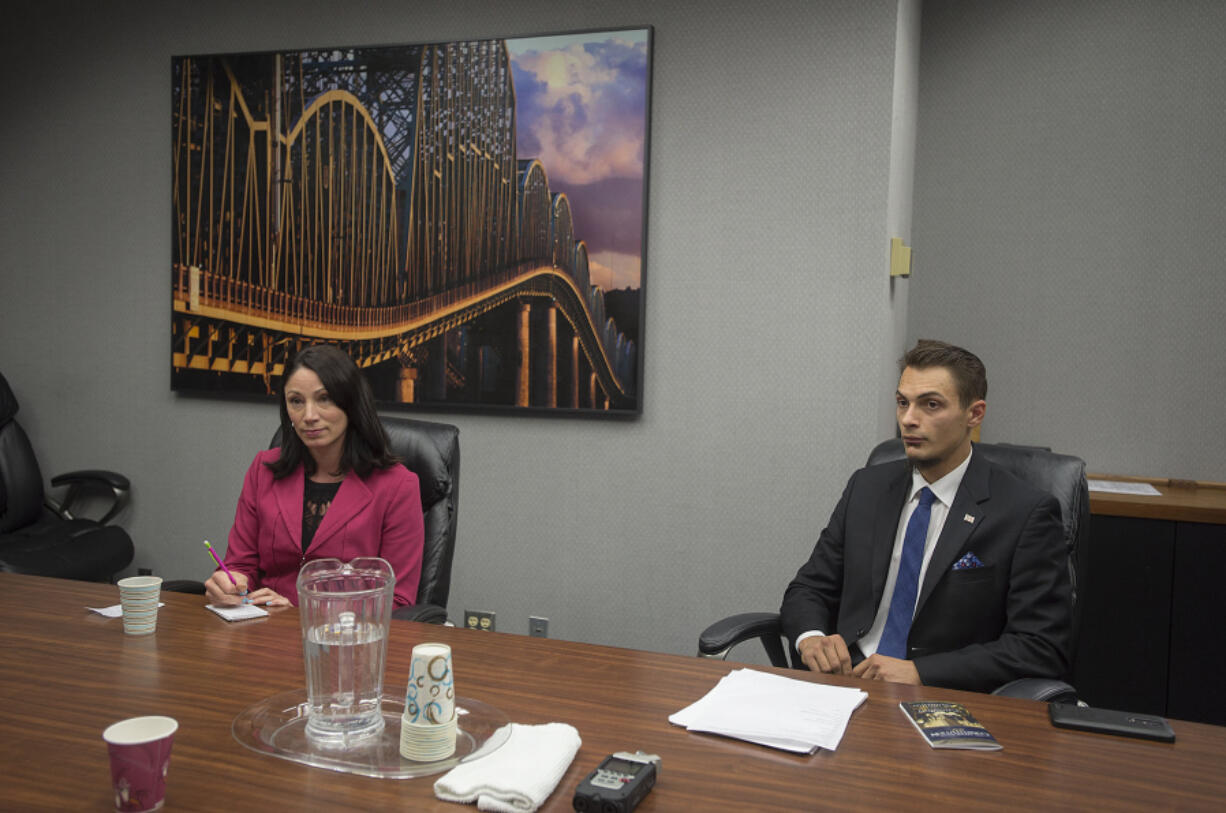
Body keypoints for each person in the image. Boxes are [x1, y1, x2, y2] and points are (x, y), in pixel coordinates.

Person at [779, 340, 1071, 692]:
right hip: (846, 685)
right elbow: (809, 588)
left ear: (974, 414)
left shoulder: (1024, 513)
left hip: (940, 697)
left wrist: (921, 672)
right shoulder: (867, 488)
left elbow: (1039, 646)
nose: (908, 419)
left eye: (930, 405)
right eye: (903, 403)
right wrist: (811, 639)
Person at [205, 344, 424, 608]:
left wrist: (303, 612)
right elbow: (241, 565)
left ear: (351, 403)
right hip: (262, 634)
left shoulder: (398, 486)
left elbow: (397, 601)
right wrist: (232, 583)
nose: (309, 416)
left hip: (348, 641)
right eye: (296, 401)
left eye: (325, 399)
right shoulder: (263, 470)